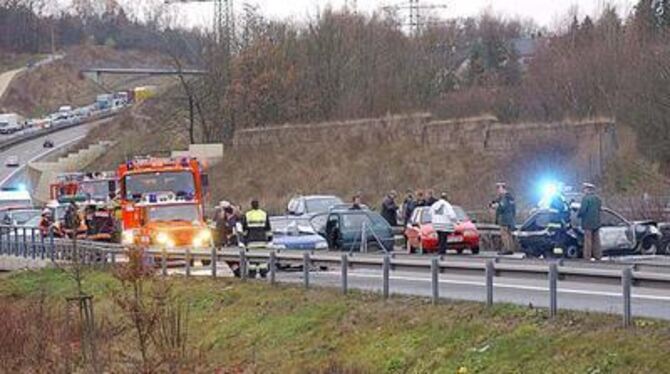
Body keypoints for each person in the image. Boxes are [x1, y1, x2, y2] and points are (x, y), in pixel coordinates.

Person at [578, 183, 602, 260]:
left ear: (588, 190)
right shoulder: (597, 199)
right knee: (597, 241)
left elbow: (583, 210)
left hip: (587, 223)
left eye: (584, 189)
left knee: (588, 241)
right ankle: (598, 256)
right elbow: (599, 209)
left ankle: (587, 257)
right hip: (597, 223)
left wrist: (578, 215)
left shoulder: (586, 199)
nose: (584, 191)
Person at [493, 182, 516, 255]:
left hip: (504, 219)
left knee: (504, 234)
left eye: (499, 189)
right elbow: (514, 209)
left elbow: (502, 207)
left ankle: (507, 249)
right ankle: (511, 248)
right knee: (509, 234)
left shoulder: (505, 197)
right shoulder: (511, 198)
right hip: (510, 219)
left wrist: (496, 206)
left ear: (502, 188)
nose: (498, 191)